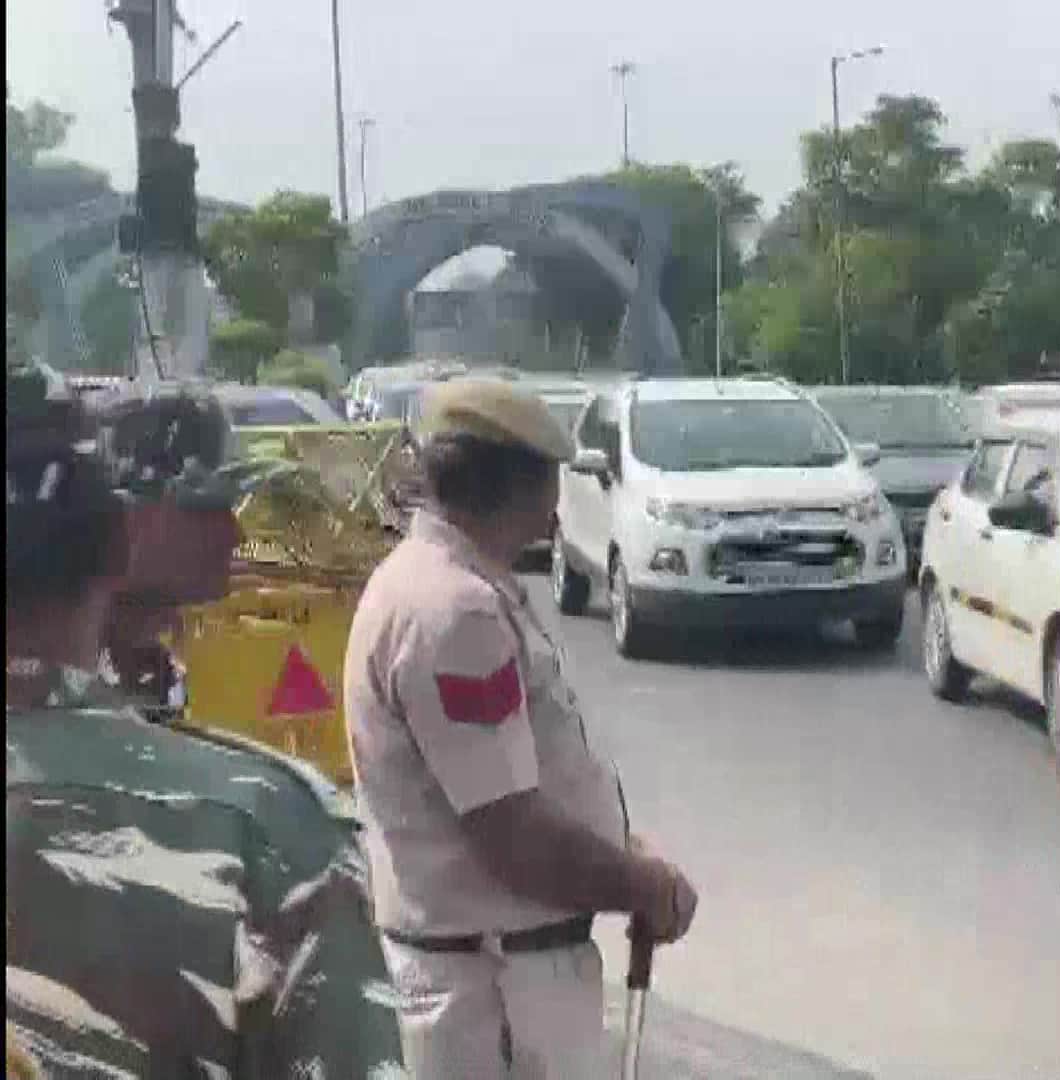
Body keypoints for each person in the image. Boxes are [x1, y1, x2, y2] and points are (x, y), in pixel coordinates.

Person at [5, 363, 407, 1076]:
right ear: (123, 529)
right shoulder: (263, 818)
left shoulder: (174, 675)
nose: (232, 530)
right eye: (204, 504)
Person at [344, 376, 698, 1078]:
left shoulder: (443, 583)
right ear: (524, 487)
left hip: (495, 978)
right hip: (498, 994)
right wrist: (641, 886)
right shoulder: (455, 613)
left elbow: (515, 778)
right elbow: (510, 834)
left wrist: (618, 845)